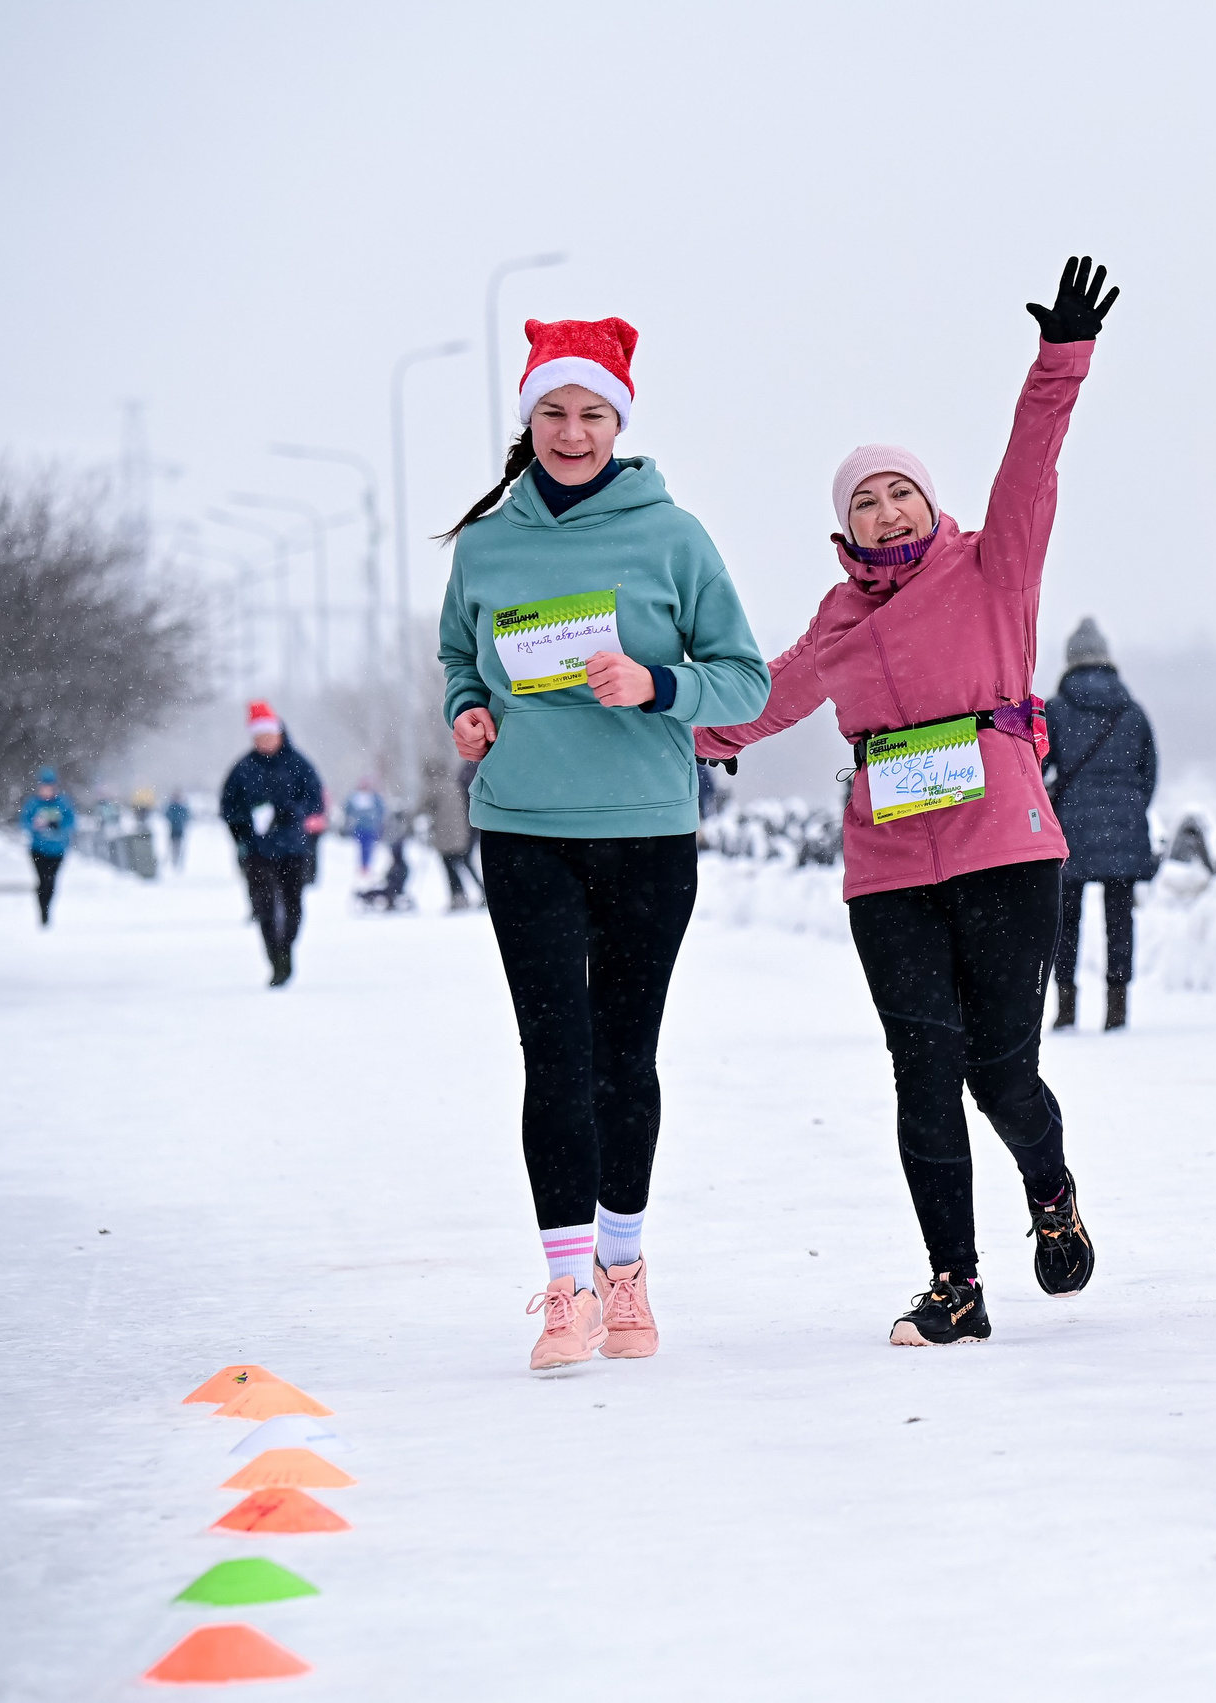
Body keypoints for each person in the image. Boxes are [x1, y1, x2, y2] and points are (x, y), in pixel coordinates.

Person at [697, 256, 1119, 1348]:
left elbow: (1033, 464)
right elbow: (752, 704)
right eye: (863, 501)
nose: (885, 511)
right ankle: (955, 1283)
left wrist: (1058, 358)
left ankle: (1051, 1185)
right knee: (921, 1062)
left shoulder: (992, 569)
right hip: (888, 868)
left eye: (899, 492)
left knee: (999, 1066)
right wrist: (645, 719)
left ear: (928, 502)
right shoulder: (837, 621)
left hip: (1002, 842)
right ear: (845, 527)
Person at [439, 314, 770, 1372]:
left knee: (624, 1054)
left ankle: (626, 1270)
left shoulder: (673, 536)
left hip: (644, 828)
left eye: (591, 414)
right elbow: (459, 656)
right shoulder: (487, 544)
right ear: (527, 418)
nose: (572, 431)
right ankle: (566, 1286)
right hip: (524, 825)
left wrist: (657, 683)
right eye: (553, 412)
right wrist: (467, 713)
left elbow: (745, 679)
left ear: (617, 422)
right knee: (555, 1052)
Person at [1043, 617, 1157, 1032]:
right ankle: (1117, 1007)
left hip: (1070, 831)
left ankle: (1067, 1005)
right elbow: (1148, 774)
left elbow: (1038, 768)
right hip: (1124, 828)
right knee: (1120, 920)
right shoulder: (1132, 711)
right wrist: (1128, 810)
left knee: (1065, 920)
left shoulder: (1055, 710)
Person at [219, 701, 327, 986]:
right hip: (258, 851)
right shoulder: (242, 769)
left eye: (268, 735)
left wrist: (289, 812)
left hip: (293, 848)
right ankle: (274, 958)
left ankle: (286, 948)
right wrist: (246, 823)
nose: (265, 741)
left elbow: (315, 801)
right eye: (259, 737)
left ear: (279, 734)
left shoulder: (299, 765)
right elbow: (228, 808)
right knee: (265, 906)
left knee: (293, 905)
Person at [18, 768, 75, 927]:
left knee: (51, 882)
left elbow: (72, 822)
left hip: (58, 851)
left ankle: (47, 908)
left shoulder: (63, 803)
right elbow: (24, 822)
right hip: (38, 850)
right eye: (44, 786)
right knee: (42, 880)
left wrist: (57, 824)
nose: (47, 790)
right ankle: (42, 911)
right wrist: (35, 825)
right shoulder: (33, 804)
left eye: (49, 786)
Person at [425, 757, 483, 910]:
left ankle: (459, 896)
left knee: (449, 863)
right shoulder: (455, 784)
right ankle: (476, 892)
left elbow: (424, 807)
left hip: (447, 834)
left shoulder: (437, 787)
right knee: (462, 863)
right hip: (464, 830)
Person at [343, 780, 386, 874]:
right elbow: (347, 808)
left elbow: (382, 810)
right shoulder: (356, 797)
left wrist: (378, 821)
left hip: (371, 828)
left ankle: (366, 866)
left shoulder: (374, 797)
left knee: (368, 847)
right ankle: (362, 866)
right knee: (361, 847)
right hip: (359, 827)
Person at [163, 789, 191, 872]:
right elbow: (167, 815)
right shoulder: (172, 807)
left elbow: (187, 816)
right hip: (173, 829)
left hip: (180, 830)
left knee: (179, 847)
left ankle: (179, 862)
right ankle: (173, 862)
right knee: (172, 846)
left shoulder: (182, 807)